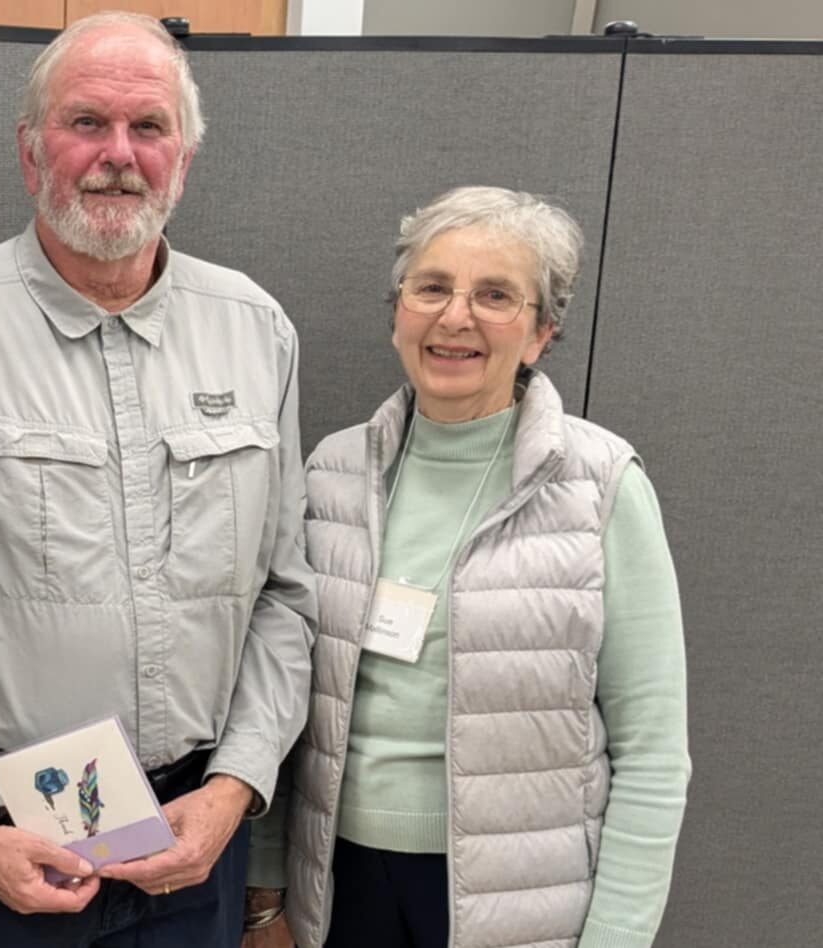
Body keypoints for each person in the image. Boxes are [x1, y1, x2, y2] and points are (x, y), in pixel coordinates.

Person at [0, 12, 316, 947]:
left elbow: (285, 598)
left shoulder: (255, 330)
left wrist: (233, 789)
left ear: (182, 157)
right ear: (30, 150)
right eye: (86, 123)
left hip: (195, 837)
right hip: (2, 840)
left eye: (147, 127)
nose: (118, 154)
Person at [242, 186, 690, 948]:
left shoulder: (601, 486)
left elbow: (651, 754)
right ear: (397, 314)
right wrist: (263, 895)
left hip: (519, 904)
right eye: (431, 288)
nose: (455, 317)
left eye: (494, 295)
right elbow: (283, 702)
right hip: (339, 890)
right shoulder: (331, 474)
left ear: (541, 332)